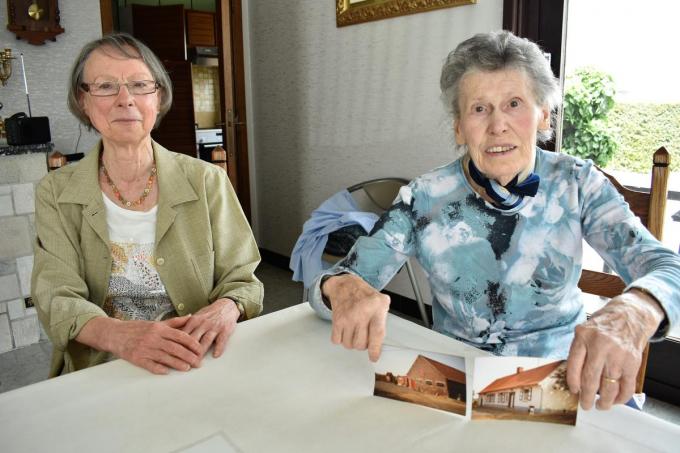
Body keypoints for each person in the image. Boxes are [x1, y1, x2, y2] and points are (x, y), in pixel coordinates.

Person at [309, 30, 680, 411]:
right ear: (458, 127)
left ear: (543, 115)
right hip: (458, 382)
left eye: (515, 103)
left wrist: (636, 308)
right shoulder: (424, 197)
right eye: (479, 108)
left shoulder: (578, 183)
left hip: (564, 380)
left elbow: (669, 268)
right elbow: (333, 286)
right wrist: (342, 289)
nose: (498, 125)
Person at [31, 33, 263, 377]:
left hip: (198, 360)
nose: (125, 100)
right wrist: (121, 337)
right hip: (103, 366)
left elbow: (244, 281)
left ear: (159, 97)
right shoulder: (56, 192)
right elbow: (57, 297)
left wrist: (226, 308)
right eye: (106, 86)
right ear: (84, 100)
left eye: (140, 85)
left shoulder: (206, 181)